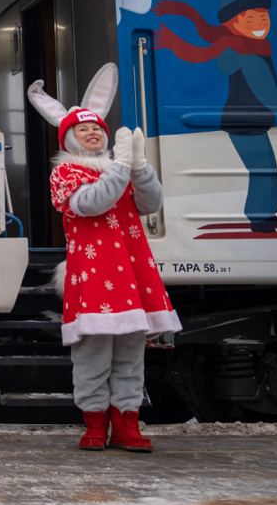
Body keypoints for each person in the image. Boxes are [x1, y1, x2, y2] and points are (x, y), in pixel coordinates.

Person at [27, 64, 182, 452]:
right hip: (93, 275)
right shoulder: (66, 174)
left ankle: (127, 424)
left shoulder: (121, 169)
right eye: (83, 129)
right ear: (70, 138)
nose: (93, 132)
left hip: (130, 272)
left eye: (97, 127)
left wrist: (140, 169)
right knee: (93, 355)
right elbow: (92, 203)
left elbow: (151, 202)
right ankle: (94, 424)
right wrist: (121, 169)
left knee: (130, 353)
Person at [155, 0, 277, 232]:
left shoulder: (256, 49)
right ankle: (259, 217)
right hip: (244, 122)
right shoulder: (247, 54)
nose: (260, 23)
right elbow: (267, 91)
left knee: (266, 170)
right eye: (251, 18)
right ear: (233, 23)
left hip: (250, 121)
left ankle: (264, 214)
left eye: (264, 17)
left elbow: (274, 85)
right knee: (263, 170)